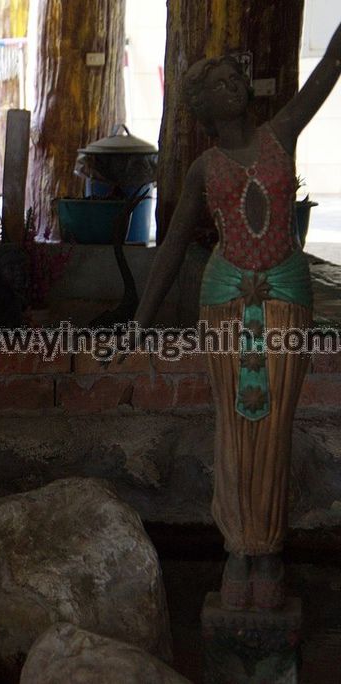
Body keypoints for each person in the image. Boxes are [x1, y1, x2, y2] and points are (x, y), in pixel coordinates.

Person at [134, 22, 341, 611]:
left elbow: (327, 73)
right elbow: (172, 246)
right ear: (203, 108)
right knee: (233, 427)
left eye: (234, 77)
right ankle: (236, 553)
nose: (232, 84)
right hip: (224, 301)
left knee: (272, 431)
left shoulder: (281, 135)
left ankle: (266, 554)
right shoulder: (204, 168)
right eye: (218, 83)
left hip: (284, 299)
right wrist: (139, 323)